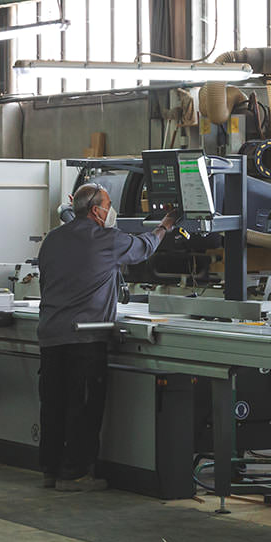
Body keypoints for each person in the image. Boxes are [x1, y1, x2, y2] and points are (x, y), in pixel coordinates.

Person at [35, 182, 177, 491]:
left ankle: (50, 470)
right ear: (96, 211)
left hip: (51, 336)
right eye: (109, 205)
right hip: (84, 339)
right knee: (83, 409)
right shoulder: (106, 239)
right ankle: (74, 475)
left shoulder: (52, 239)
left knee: (54, 406)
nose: (111, 211)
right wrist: (166, 224)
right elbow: (144, 247)